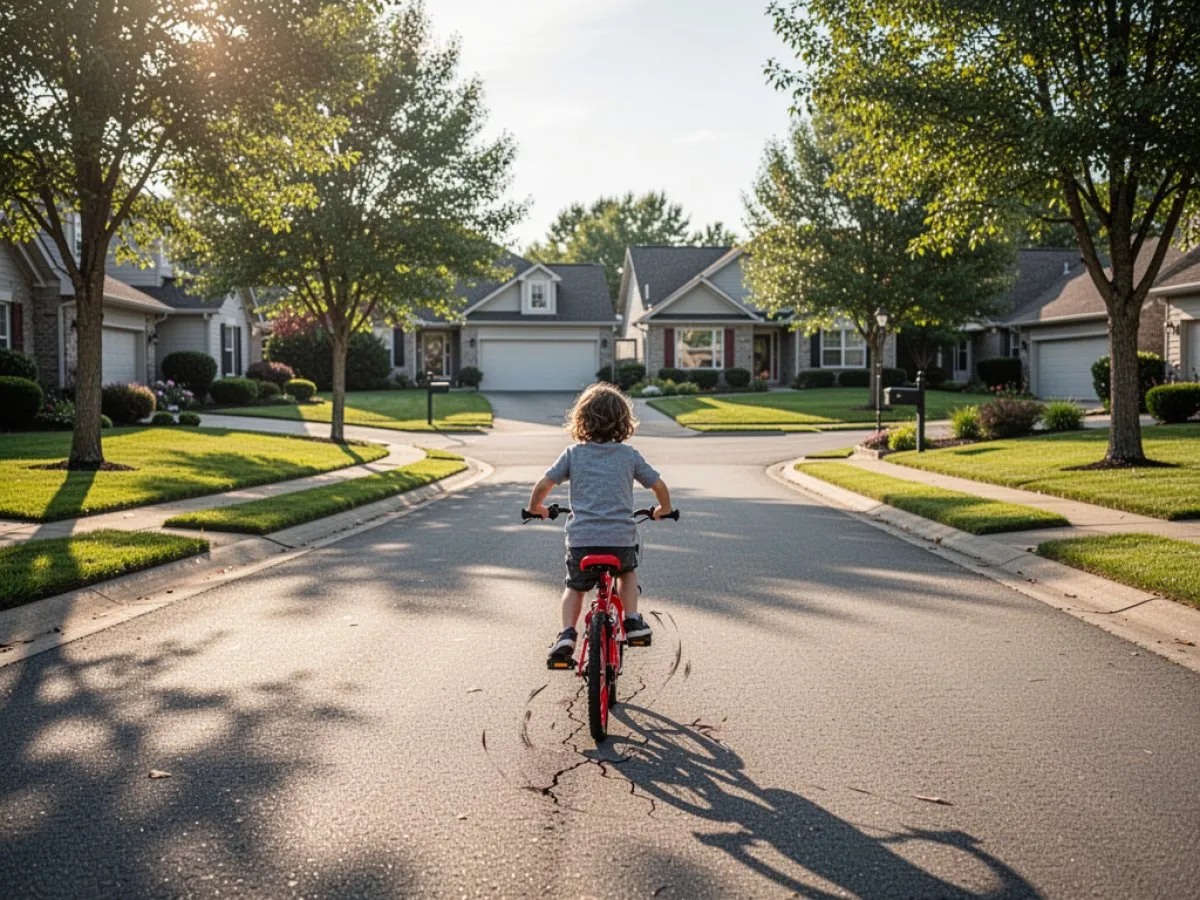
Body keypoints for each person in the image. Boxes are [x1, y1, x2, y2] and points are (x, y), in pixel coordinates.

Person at [527, 383, 673, 666]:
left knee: (574, 587)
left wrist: (537, 508)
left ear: (581, 419)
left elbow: (544, 484)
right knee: (627, 572)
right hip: (619, 540)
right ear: (623, 421)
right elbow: (658, 485)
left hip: (582, 541)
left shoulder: (573, 454)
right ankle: (632, 621)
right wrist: (662, 509)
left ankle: (567, 634)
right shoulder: (629, 455)